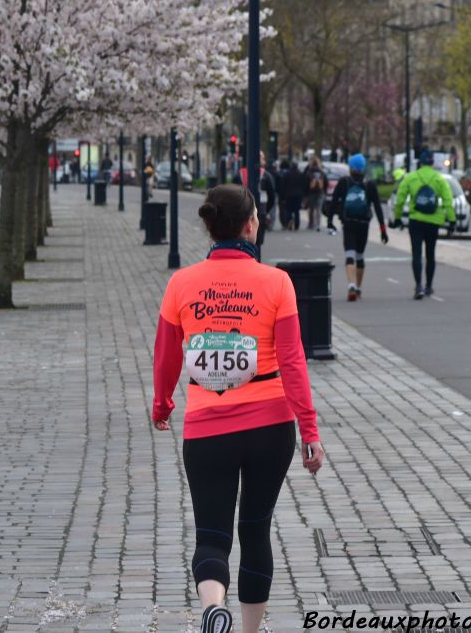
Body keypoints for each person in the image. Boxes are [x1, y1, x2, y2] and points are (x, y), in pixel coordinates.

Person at [152, 184, 323, 633]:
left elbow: (167, 357)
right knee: (255, 529)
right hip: (270, 427)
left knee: (211, 533)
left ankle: (213, 608)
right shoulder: (276, 282)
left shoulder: (181, 283)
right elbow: (292, 362)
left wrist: (162, 404)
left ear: (210, 227)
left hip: (207, 427)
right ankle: (248, 630)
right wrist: (310, 432)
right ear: (250, 224)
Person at [393, 150, 456, 299]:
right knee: (430, 254)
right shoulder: (439, 179)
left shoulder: (411, 177)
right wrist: (452, 220)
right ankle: (429, 286)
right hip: (434, 221)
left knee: (416, 254)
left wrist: (397, 217)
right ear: (432, 162)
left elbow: (400, 198)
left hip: (416, 220)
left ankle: (418, 286)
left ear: (420, 162)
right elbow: (448, 201)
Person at [327, 154, 388, 301]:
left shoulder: (344, 182)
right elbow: (378, 207)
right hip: (363, 224)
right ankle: (358, 288)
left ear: (351, 167)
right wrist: (382, 229)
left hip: (348, 223)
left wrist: (330, 221)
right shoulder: (370, 184)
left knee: (349, 254)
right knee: (360, 256)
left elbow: (334, 202)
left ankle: (351, 285)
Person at [278, 160, 307, 231]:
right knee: (297, 211)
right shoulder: (301, 174)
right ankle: (296, 225)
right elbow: (304, 185)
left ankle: (289, 221)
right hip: (298, 196)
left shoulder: (287, 175)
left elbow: (283, 187)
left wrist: (281, 197)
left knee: (289, 210)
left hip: (288, 195)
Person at [303, 156, 326, 231]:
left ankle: (311, 223)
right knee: (318, 209)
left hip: (311, 192)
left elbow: (305, 183)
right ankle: (318, 224)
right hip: (320, 192)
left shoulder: (309, 172)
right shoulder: (322, 172)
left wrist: (305, 194)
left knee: (311, 209)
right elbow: (326, 182)